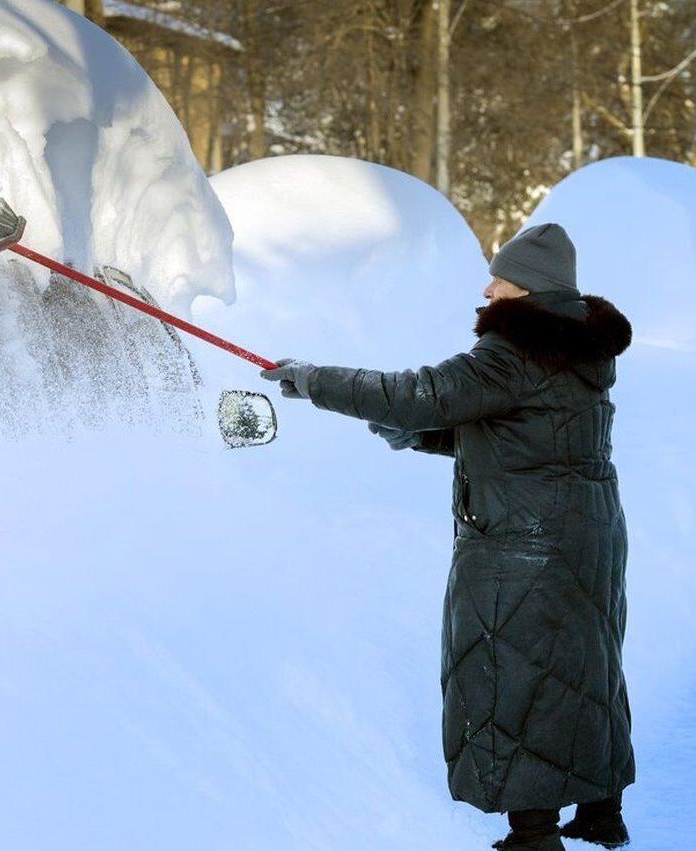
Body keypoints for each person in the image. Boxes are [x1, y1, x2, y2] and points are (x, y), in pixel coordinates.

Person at [260, 224, 635, 850]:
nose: (488, 291)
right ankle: (602, 812)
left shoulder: (515, 351)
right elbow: (521, 434)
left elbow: (421, 393)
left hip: (523, 546)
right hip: (586, 535)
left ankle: (534, 835)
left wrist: (314, 379)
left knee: (518, 678)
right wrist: (418, 433)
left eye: (500, 280)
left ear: (529, 290)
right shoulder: (578, 350)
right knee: (583, 670)